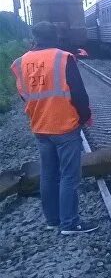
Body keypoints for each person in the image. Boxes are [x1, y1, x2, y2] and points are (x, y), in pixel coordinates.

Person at [9, 22, 97, 234]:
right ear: (55, 36)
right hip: (64, 125)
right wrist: (84, 116)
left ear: (35, 37)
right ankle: (70, 223)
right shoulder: (62, 57)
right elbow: (79, 92)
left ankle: (53, 220)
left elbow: (23, 94)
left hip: (40, 126)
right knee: (69, 176)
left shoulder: (21, 62)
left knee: (48, 174)